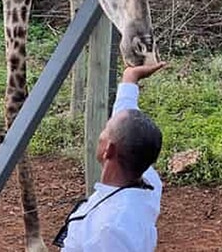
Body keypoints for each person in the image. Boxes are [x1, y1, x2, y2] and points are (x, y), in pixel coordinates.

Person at [54, 61, 165, 251]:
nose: (101, 133)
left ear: (109, 150)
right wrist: (130, 77)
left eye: (105, 130)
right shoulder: (149, 183)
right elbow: (126, 121)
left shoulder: (109, 229)